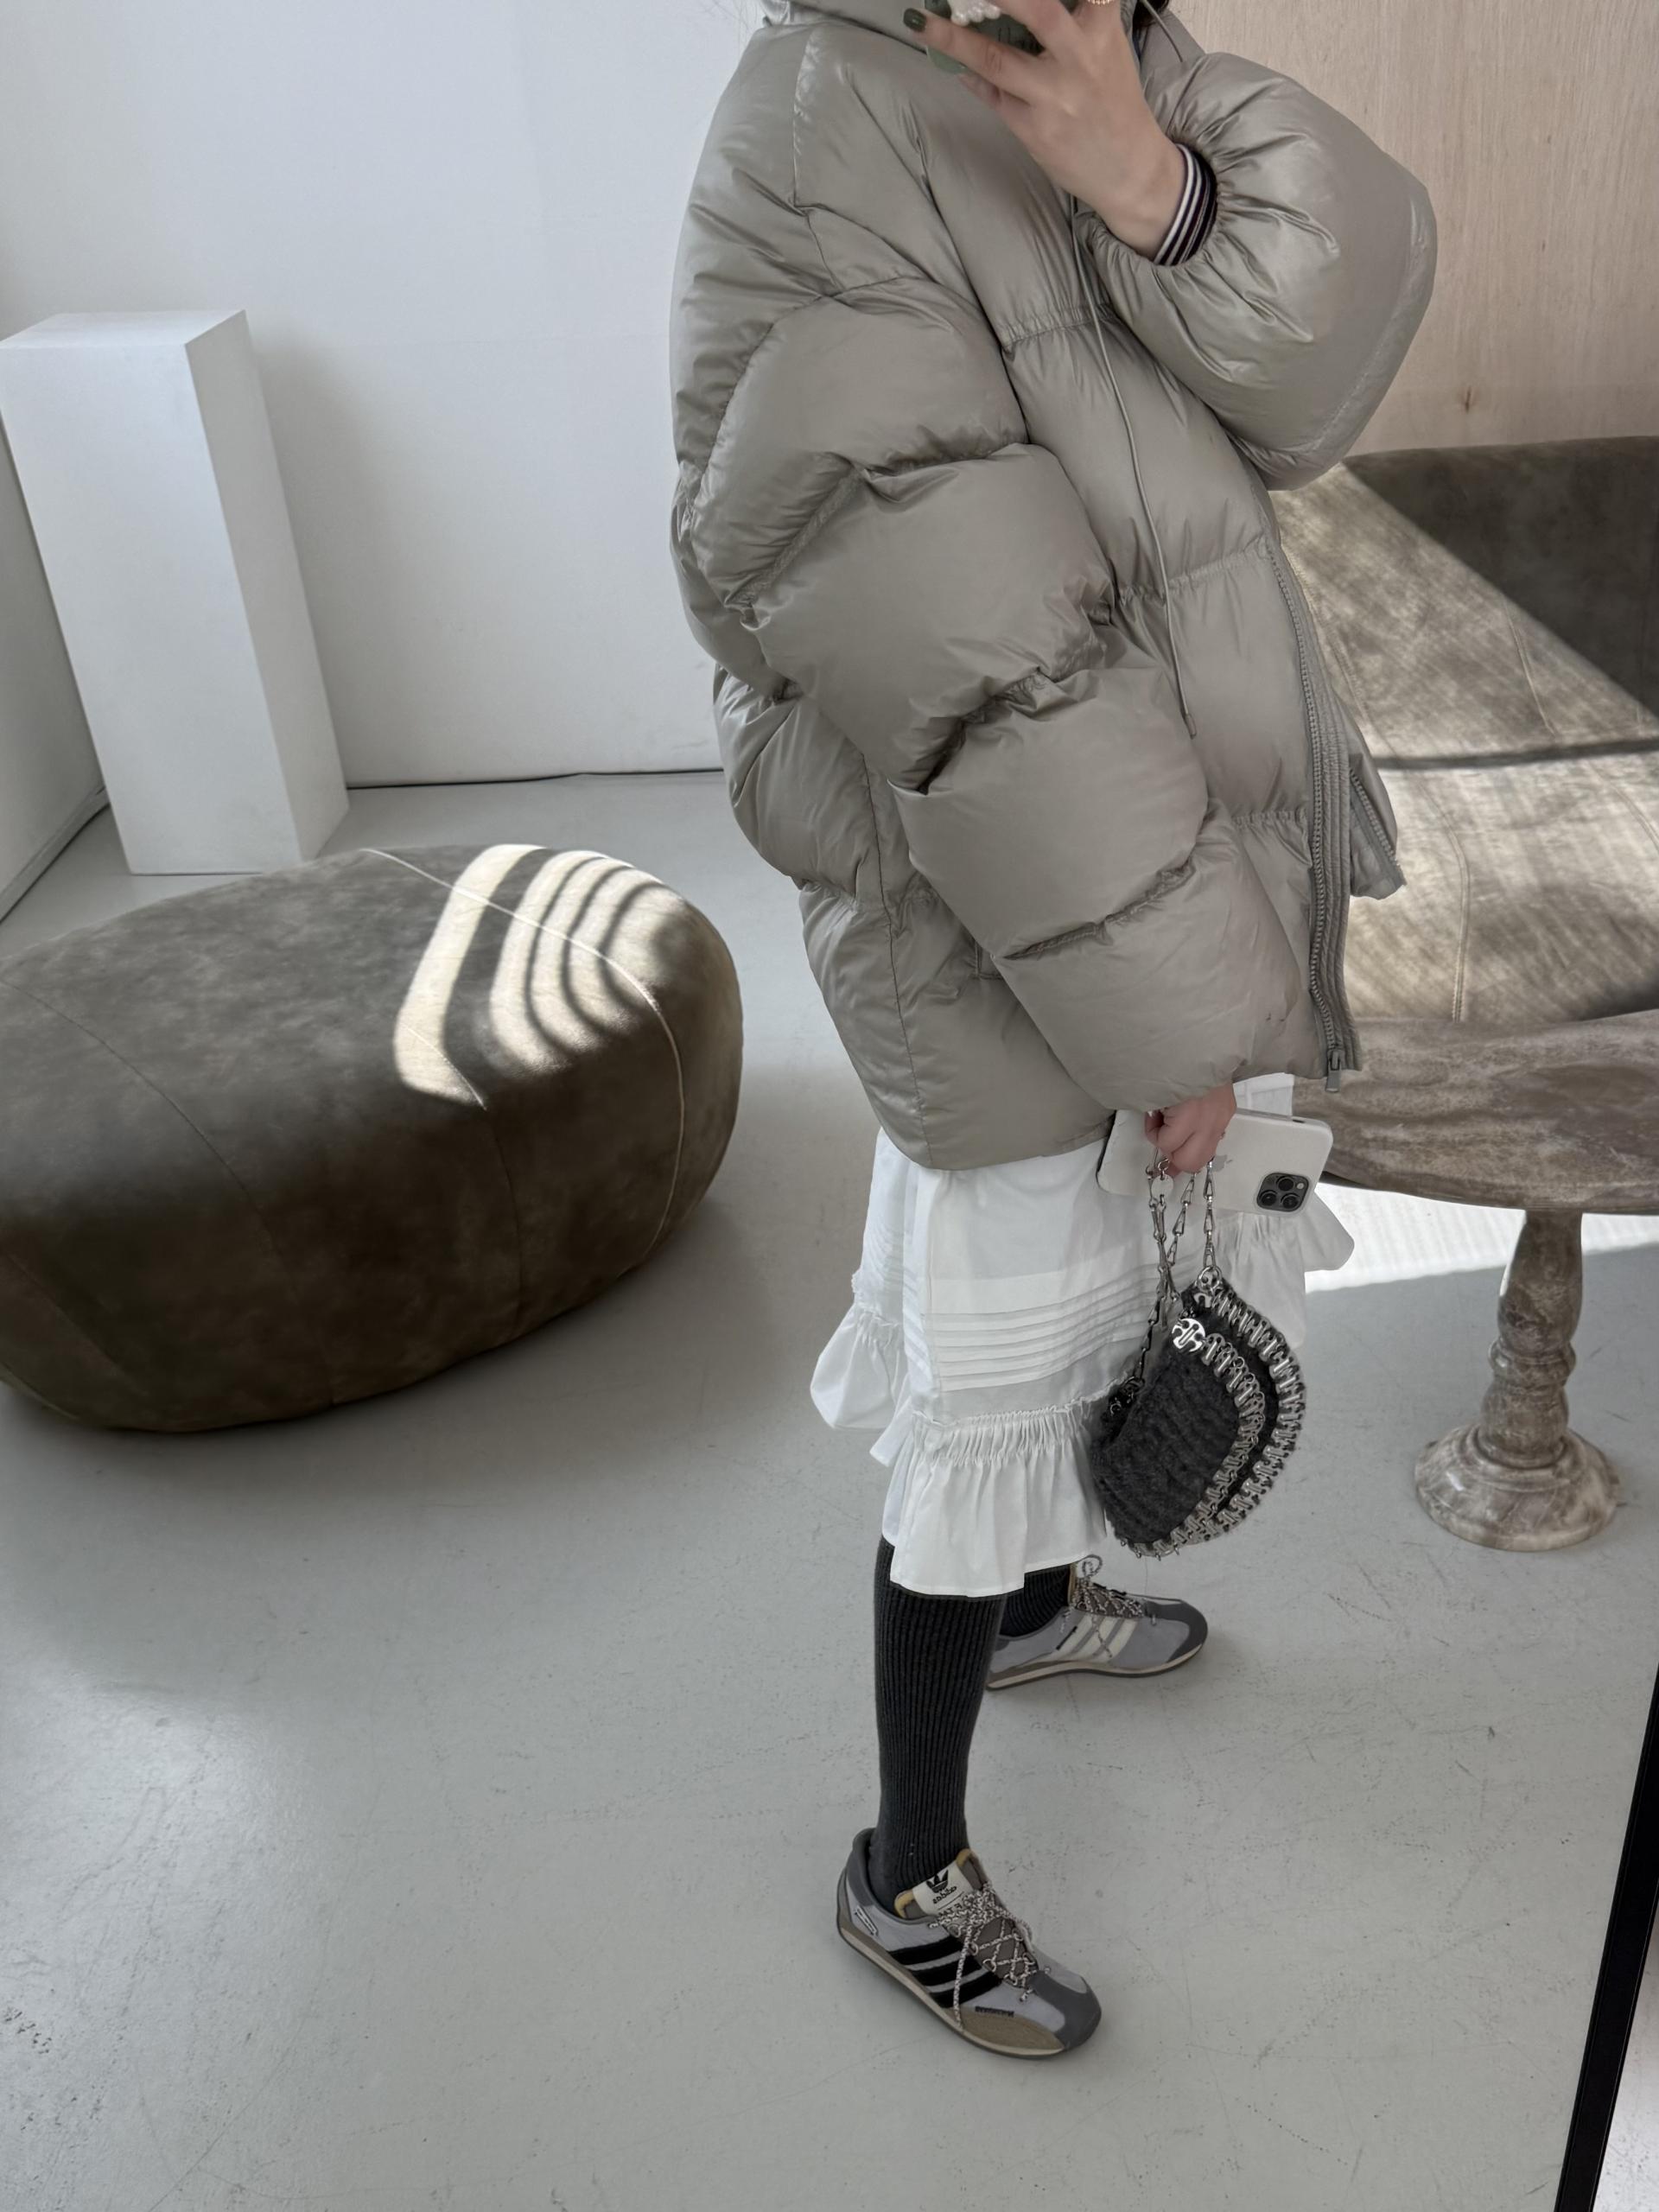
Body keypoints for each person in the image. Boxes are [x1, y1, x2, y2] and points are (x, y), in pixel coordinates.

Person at [669, 0, 1435, 2056]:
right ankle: (908, 1869)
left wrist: (1156, 190)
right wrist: (1174, 1020)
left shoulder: (1067, 48)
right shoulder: (830, 130)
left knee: (1083, 1314)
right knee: (990, 1391)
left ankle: (1026, 1610)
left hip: (1129, 880)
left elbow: (1315, 372)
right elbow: (972, 656)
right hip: (1005, 918)